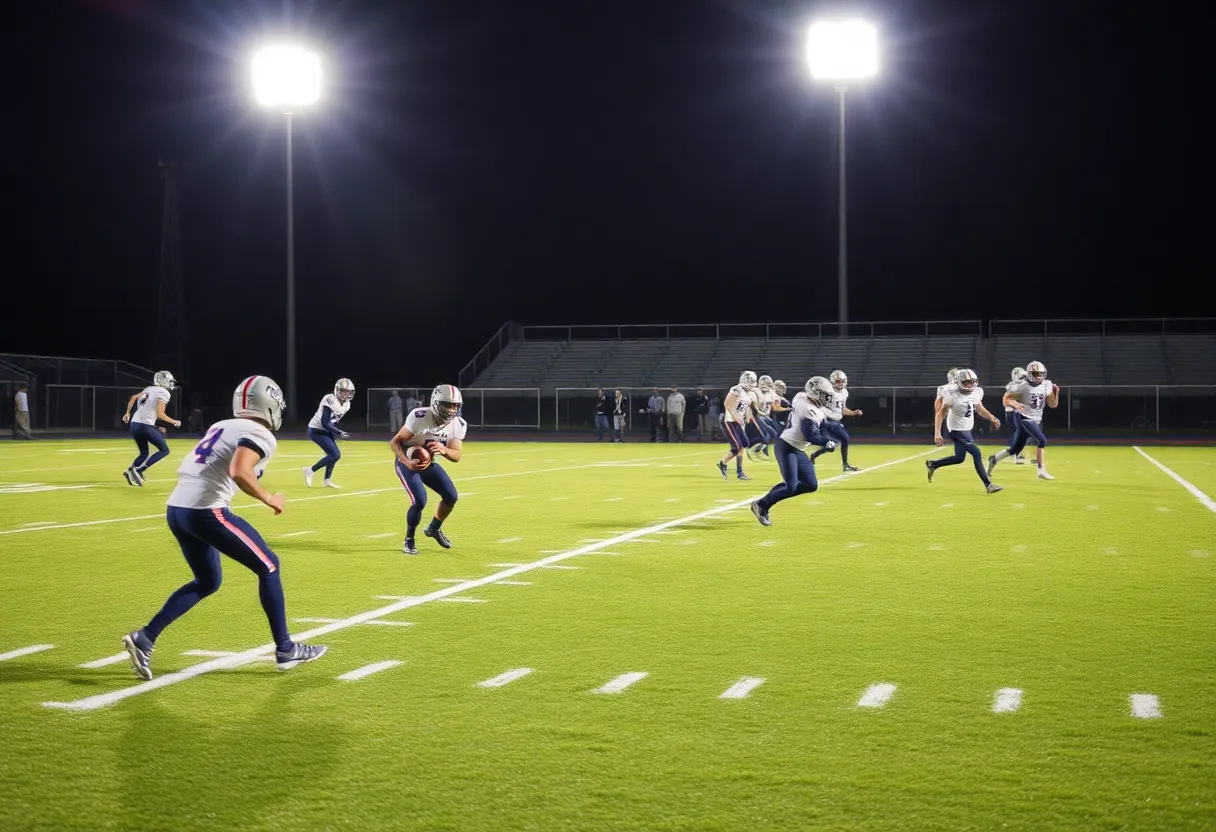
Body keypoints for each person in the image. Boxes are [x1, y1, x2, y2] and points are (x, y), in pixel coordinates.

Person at [120, 375, 327, 680]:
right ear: (269, 404)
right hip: (206, 511)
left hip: (177, 509)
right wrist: (269, 497)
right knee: (269, 566)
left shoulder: (222, 425)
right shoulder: (260, 433)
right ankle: (286, 649)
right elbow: (240, 471)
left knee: (207, 581)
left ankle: (145, 638)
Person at [389, 384, 468, 555]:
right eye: (446, 404)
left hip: (428, 463)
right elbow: (394, 442)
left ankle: (434, 528)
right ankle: (409, 539)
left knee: (451, 497)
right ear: (435, 402)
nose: (451, 409)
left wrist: (444, 450)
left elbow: (456, 455)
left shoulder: (458, 424)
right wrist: (407, 463)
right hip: (407, 462)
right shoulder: (420, 417)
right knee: (420, 500)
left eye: (454, 405)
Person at [750, 376, 837, 526]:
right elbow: (811, 435)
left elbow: (820, 427)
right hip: (786, 447)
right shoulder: (809, 410)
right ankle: (761, 504)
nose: (827, 398)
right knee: (791, 486)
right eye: (824, 394)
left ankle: (762, 504)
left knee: (811, 484)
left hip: (798, 449)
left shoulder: (801, 396)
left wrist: (827, 435)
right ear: (815, 393)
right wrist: (826, 442)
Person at [927, 368, 1003, 494]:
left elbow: (979, 408)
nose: (969, 385)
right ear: (958, 382)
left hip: (966, 429)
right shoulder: (951, 394)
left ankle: (933, 464)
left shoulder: (977, 392)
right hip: (956, 430)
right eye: (966, 382)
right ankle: (988, 485)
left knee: (959, 458)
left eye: (971, 382)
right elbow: (940, 414)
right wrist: (937, 433)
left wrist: (991, 417)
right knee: (976, 453)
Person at [989, 360, 1059, 480]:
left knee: (1015, 449)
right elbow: (1005, 399)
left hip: (1035, 419)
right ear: (1030, 374)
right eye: (1036, 374)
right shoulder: (1023, 386)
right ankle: (1041, 470)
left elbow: (1053, 405)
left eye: (1041, 374)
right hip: (1023, 417)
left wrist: (1056, 394)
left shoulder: (1046, 385)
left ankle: (993, 459)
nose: (1038, 376)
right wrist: (1014, 404)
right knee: (1041, 440)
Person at [121, 371, 181, 486]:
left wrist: (127, 413)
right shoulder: (164, 392)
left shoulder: (148, 389)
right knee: (164, 450)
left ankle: (129, 471)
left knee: (144, 453)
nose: (170, 383)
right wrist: (174, 421)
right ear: (163, 380)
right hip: (145, 425)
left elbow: (133, 398)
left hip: (135, 424)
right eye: (169, 381)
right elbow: (160, 414)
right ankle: (139, 470)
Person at [304, 378, 355, 489]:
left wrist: (335, 431)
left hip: (326, 430)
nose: (345, 394)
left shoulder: (347, 404)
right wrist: (338, 432)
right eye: (342, 391)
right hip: (316, 429)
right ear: (337, 390)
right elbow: (324, 422)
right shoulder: (330, 399)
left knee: (333, 454)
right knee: (335, 454)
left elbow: (335, 420)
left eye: (347, 391)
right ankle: (310, 470)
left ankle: (327, 480)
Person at [810, 369, 862, 471]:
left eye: (842, 381)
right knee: (837, 442)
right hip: (826, 421)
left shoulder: (844, 392)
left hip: (835, 421)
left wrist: (853, 413)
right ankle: (845, 465)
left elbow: (842, 410)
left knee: (837, 443)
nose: (840, 383)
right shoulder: (828, 393)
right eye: (838, 381)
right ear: (833, 382)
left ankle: (844, 464)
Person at [717, 371, 760, 481]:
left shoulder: (748, 393)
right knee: (737, 447)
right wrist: (736, 417)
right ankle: (723, 463)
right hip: (729, 421)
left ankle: (740, 472)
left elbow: (745, 407)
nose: (751, 384)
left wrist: (748, 415)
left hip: (738, 422)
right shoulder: (736, 389)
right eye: (750, 381)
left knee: (744, 444)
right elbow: (727, 404)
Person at [746, 375, 778, 459]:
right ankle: (752, 449)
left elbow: (774, 403)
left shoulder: (771, 393)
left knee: (768, 435)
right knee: (771, 433)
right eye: (762, 384)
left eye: (766, 384)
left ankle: (761, 452)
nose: (764, 386)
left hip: (765, 416)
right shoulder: (755, 391)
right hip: (757, 416)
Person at [1002, 368, 1027, 465]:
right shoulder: (1011, 385)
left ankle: (1016, 453)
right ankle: (1016, 454)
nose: (1024, 378)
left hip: (1017, 412)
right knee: (1018, 432)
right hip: (1012, 412)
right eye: (1022, 376)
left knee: (1020, 433)